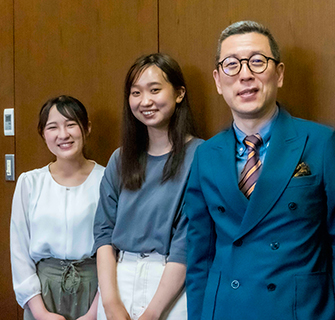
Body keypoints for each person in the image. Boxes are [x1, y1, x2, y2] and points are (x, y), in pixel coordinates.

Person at [184, 20, 335, 320]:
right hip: (226, 310)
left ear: (279, 73)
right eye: (231, 65)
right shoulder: (205, 155)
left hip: (300, 310)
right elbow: (199, 256)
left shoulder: (322, 143)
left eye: (257, 62)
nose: (245, 75)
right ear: (217, 80)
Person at [93, 53, 202, 320]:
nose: (145, 101)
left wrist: (152, 313)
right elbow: (103, 233)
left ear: (179, 94)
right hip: (117, 280)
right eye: (136, 92)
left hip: (171, 286)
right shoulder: (120, 158)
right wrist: (110, 304)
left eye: (155, 90)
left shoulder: (201, 155)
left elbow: (186, 243)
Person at [10, 95, 105, 320]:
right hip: (42, 294)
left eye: (71, 124)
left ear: (87, 127)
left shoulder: (107, 180)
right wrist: (40, 313)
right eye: (53, 127)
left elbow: (116, 250)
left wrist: (94, 313)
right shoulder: (30, 182)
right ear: (43, 134)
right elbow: (19, 252)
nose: (63, 135)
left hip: (95, 292)